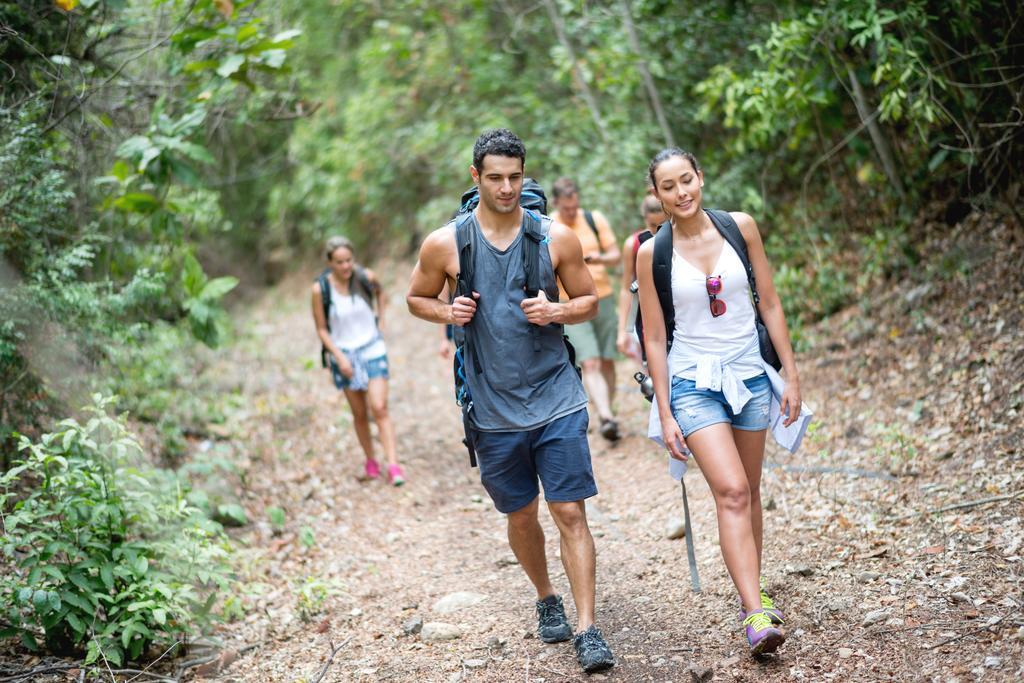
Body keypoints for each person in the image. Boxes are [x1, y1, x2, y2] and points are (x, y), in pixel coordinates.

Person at [406, 129, 615, 673]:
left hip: (555, 394)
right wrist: (445, 314)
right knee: (522, 514)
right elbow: (416, 298)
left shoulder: (556, 238)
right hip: (492, 405)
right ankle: (547, 596)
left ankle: (588, 629)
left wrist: (557, 313)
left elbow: (590, 300)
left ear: (525, 176)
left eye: (515, 178)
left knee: (569, 510)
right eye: (495, 177)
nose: (506, 188)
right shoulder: (446, 244)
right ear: (475, 178)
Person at [636, 148, 802, 656]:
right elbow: (655, 336)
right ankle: (755, 615)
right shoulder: (650, 253)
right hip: (691, 382)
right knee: (730, 491)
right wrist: (665, 412)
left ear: (700, 179)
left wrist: (791, 375)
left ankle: (753, 590)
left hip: (750, 375)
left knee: (748, 491)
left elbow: (768, 302)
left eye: (687, 180)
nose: (681, 193)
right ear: (657, 194)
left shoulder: (740, 227)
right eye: (669, 186)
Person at [312, 237, 405, 486]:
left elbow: (381, 293)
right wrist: (339, 357)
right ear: (329, 263)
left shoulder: (365, 276)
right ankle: (371, 461)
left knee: (379, 407)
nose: (345, 266)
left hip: (372, 348)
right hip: (344, 354)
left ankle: (393, 465)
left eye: (349, 260)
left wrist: (382, 321)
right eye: (340, 262)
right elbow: (322, 329)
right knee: (360, 413)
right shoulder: (321, 289)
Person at [550, 178, 622, 442]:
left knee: (606, 359)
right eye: (567, 208)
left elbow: (616, 255)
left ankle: (607, 410)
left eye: (575, 207)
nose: (572, 212)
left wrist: (597, 259)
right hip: (570, 302)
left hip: (603, 296)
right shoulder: (549, 226)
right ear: (557, 203)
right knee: (589, 360)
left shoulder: (594, 219)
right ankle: (606, 417)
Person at [616, 194, 668, 362]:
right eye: (653, 226)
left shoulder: (676, 239)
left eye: (661, 226)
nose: (656, 232)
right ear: (645, 217)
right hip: (645, 315)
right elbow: (626, 289)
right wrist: (623, 331)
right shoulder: (634, 244)